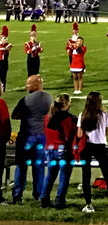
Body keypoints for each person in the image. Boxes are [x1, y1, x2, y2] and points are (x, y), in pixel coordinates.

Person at [9, 74, 53, 203]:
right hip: (42, 137)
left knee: (22, 166)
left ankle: (17, 195)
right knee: (39, 166)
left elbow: (15, 115)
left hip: (27, 137)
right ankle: (38, 194)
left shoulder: (26, 99)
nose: (26, 86)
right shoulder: (49, 98)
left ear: (36, 85)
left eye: (28, 84)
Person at [76, 91, 108, 213]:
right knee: (107, 173)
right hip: (100, 146)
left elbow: (79, 134)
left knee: (86, 175)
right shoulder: (104, 115)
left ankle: (89, 205)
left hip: (87, 147)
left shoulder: (82, 115)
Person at [39, 94, 76, 209]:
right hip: (63, 150)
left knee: (50, 175)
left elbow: (45, 131)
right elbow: (69, 135)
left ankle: (44, 199)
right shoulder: (67, 118)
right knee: (64, 177)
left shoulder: (48, 116)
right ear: (65, 104)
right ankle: (60, 201)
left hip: (49, 149)